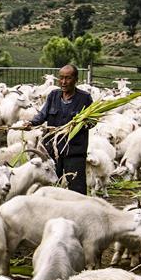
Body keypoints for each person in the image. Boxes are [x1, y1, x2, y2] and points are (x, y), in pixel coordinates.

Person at [28, 63, 93, 194]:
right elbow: (43, 114)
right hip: (53, 151)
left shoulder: (84, 98)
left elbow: (92, 122)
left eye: (68, 78)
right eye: (61, 78)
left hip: (74, 151)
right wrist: (31, 123)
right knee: (48, 186)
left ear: (76, 80)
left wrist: (81, 124)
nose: (63, 82)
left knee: (77, 189)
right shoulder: (53, 95)